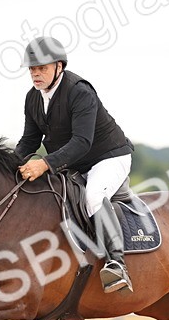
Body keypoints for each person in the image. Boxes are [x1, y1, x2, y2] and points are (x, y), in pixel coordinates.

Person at [15, 36, 136, 294]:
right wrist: (9, 165)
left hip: (109, 157)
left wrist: (45, 164)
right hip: (74, 163)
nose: (36, 74)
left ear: (59, 66)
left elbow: (81, 142)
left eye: (42, 68)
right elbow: (29, 140)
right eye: (32, 69)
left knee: (93, 194)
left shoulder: (79, 91)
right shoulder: (33, 98)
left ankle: (117, 263)